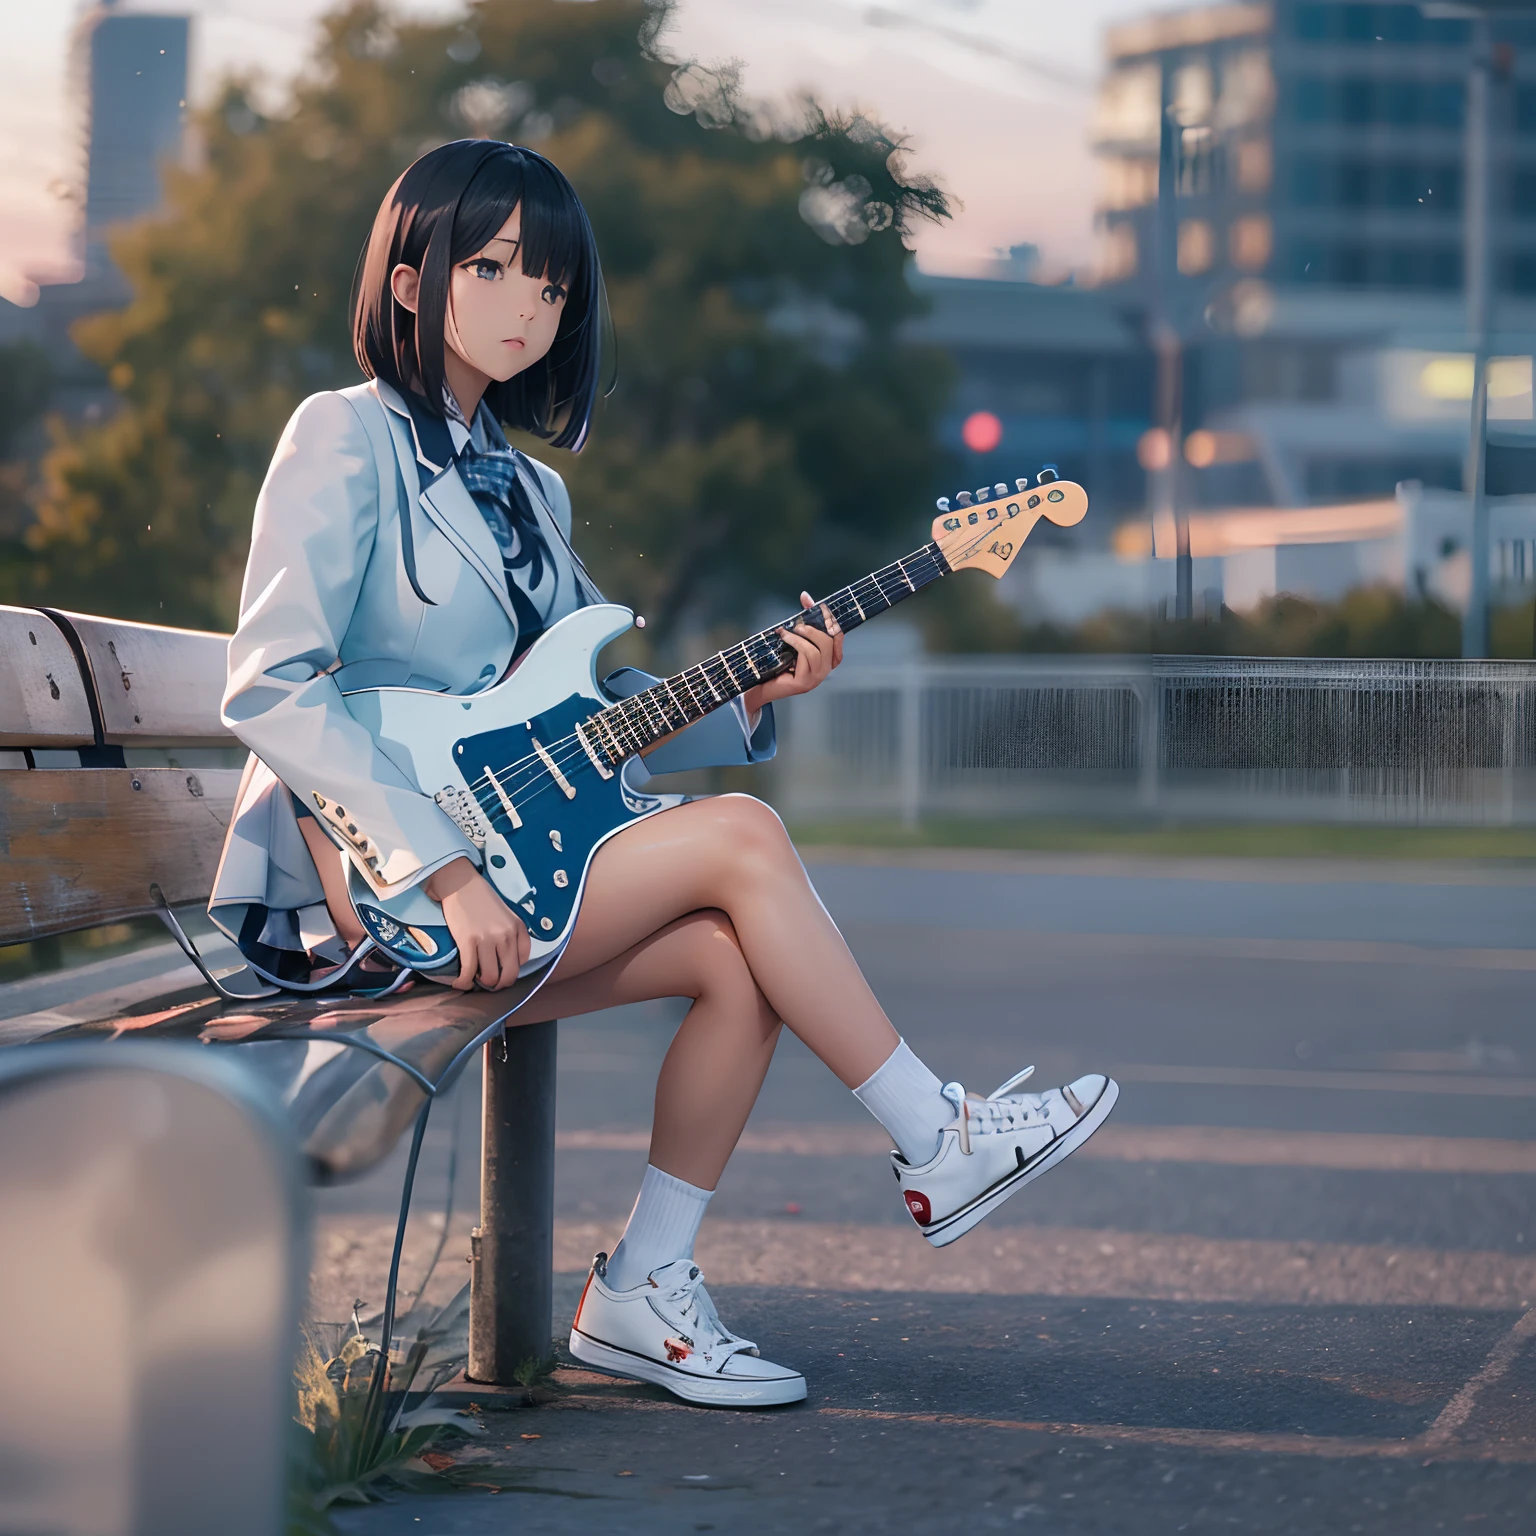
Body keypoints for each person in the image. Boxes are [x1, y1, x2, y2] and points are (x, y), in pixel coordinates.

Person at [208, 139, 1117, 1408]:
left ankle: (642, 1287)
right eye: (496, 266)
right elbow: (271, 682)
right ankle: (939, 1135)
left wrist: (745, 692)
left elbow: (582, 715)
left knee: (738, 961)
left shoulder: (531, 493)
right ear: (411, 282)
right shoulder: (342, 439)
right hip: (364, 894)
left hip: (512, 867)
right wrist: (443, 866)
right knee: (742, 840)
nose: (533, 302)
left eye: (555, 284)